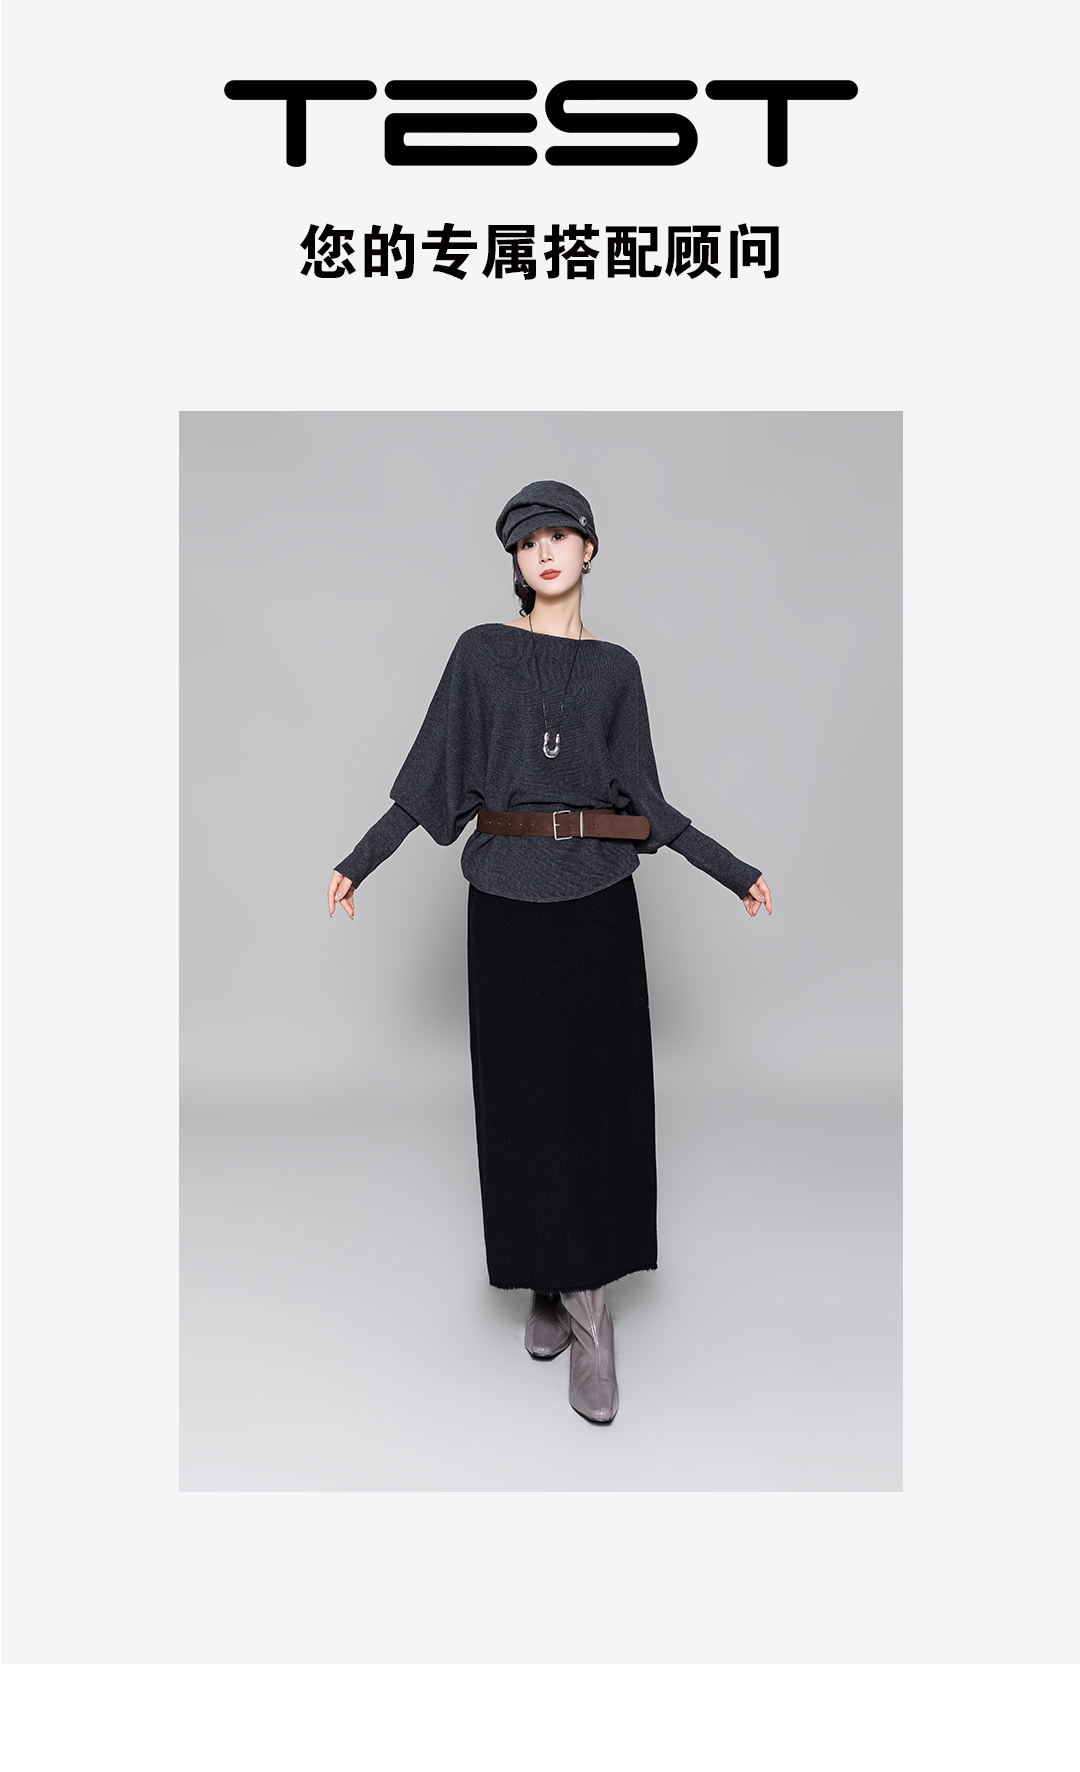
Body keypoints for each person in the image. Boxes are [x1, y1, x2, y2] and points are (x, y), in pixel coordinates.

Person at [328, 479, 771, 1424]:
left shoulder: (617, 670)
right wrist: (358, 861)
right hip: (505, 901)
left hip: (599, 899)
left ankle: (590, 1312)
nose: (546, 551)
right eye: (529, 541)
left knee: (597, 1098)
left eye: (562, 536)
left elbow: (646, 797)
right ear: (516, 560)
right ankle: (547, 1274)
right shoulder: (480, 653)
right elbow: (431, 777)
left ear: (589, 550)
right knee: (521, 1100)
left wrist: (733, 871)